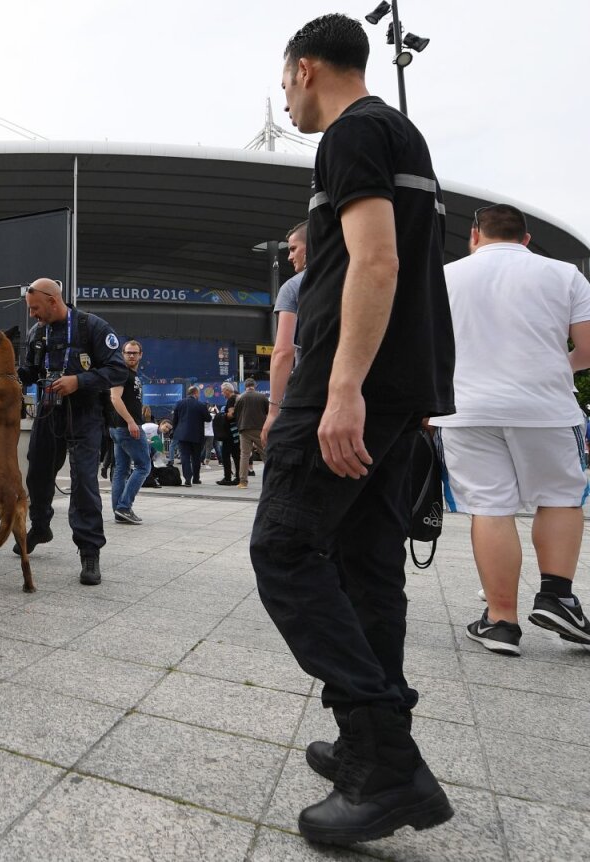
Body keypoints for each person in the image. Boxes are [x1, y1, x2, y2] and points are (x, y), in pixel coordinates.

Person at [250, 13, 456, 845]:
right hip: (401, 391)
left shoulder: (349, 135)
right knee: (369, 569)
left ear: (304, 69)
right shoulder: (403, 134)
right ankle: (373, 749)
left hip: (353, 386)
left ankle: (387, 755)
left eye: (285, 81)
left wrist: (340, 390)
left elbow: (375, 261)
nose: (287, 99)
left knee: (285, 550)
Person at [431, 203, 590, 654]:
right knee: (560, 496)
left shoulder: (445, 275)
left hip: (466, 408)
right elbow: (588, 347)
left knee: (490, 506)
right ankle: (557, 596)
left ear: (474, 235)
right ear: (526, 238)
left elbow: (425, 344)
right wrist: (555, 370)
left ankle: (501, 622)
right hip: (546, 408)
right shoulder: (564, 275)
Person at [14, 278, 128, 585]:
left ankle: (89, 551)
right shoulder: (38, 333)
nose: (33, 316)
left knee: (84, 483)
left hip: (85, 415)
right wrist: (11, 374)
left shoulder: (92, 327)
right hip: (48, 413)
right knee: (36, 474)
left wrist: (79, 381)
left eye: (36, 309)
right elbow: (31, 371)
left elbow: (119, 370)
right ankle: (40, 526)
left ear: (53, 300)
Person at [264, 221, 308, 446]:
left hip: (310, 394)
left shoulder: (293, 287)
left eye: (293, 248)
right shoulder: (354, 278)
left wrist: (273, 410)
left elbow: (284, 350)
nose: (290, 257)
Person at [108, 339, 150, 524]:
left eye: (134, 353)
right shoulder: (121, 373)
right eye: (128, 353)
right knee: (144, 466)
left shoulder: (132, 375)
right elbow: (114, 398)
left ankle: (120, 510)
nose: (131, 355)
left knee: (121, 470)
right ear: (122, 354)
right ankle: (124, 507)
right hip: (126, 428)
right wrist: (131, 421)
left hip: (120, 427)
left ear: (140, 355)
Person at [171, 385, 212, 484]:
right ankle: (196, 478)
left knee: (184, 456)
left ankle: (187, 479)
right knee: (196, 457)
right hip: (197, 436)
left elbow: (174, 420)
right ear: (196, 393)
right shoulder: (200, 405)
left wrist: (175, 431)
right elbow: (208, 419)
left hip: (182, 435)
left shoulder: (179, 403)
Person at [233, 378, 269, 489]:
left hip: (244, 429)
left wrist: (240, 426)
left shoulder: (240, 398)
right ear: (255, 385)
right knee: (265, 454)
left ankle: (243, 482)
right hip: (259, 428)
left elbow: (236, 414)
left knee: (244, 455)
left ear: (245, 386)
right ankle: (269, 481)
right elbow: (268, 412)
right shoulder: (262, 397)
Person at [215, 381, 240, 485]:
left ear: (227, 390)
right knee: (236, 455)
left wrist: (221, 415)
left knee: (226, 455)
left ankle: (227, 477)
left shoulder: (231, 399)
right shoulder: (238, 397)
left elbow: (231, 414)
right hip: (237, 431)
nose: (222, 393)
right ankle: (239, 477)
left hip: (230, 432)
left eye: (222, 391)